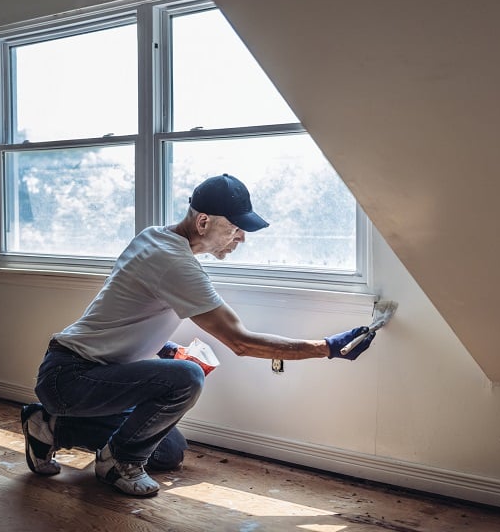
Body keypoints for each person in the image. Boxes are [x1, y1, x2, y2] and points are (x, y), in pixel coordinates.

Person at [21, 173, 375, 497]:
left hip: (85, 374)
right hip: (72, 377)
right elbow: (242, 342)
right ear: (203, 221)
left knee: (168, 451)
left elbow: (125, 315)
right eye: (235, 228)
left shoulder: (155, 237)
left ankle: (50, 426)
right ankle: (116, 464)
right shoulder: (175, 263)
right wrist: (326, 348)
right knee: (186, 379)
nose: (241, 238)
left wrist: (166, 348)